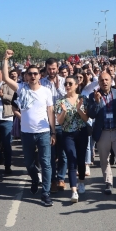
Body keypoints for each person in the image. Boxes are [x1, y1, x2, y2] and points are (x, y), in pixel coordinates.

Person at [1, 50, 56, 206]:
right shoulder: (22, 89)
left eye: (35, 73)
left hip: (44, 132)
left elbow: (50, 111)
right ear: (26, 76)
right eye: (30, 73)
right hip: (27, 133)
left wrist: (53, 132)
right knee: (29, 164)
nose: (33, 76)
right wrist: (5, 59)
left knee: (46, 163)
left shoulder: (46, 91)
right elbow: (5, 78)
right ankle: (34, 179)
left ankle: (45, 193)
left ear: (40, 75)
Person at [87, 72, 116, 200]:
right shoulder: (93, 95)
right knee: (104, 160)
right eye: (102, 80)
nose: (104, 82)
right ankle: (108, 183)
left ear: (111, 80)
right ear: (99, 82)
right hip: (103, 133)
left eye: (107, 80)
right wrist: (96, 102)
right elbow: (91, 114)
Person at [55, 75, 89, 203]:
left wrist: (79, 109)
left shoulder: (83, 99)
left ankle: (81, 181)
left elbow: (86, 119)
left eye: (70, 83)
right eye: (66, 84)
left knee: (81, 160)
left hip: (81, 133)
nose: (67, 86)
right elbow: (59, 120)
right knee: (71, 159)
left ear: (76, 85)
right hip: (67, 134)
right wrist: (63, 112)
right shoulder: (60, 101)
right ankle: (74, 191)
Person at [41, 58, 67, 191]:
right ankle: (52, 179)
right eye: (49, 69)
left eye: (54, 69)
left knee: (62, 153)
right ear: (46, 68)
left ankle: (61, 178)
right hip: (47, 123)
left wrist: (59, 89)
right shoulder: (41, 83)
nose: (52, 71)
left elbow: (69, 98)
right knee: (49, 154)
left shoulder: (64, 82)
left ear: (58, 68)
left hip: (62, 122)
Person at [0, 67, 15, 174]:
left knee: (6, 144)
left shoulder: (8, 84)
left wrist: (2, 95)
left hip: (6, 118)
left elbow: (12, 99)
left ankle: (8, 166)